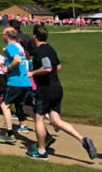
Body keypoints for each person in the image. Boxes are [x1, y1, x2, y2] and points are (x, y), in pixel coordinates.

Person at [25, 24, 97, 160]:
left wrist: (33, 72)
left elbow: (47, 68)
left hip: (45, 89)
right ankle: (83, 140)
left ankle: (41, 151)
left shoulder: (40, 51)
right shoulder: (51, 49)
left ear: (34, 36)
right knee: (56, 120)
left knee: (39, 118)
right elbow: (58, 66)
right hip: (56, 87)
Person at [0, 27, 34, 144]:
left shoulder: (11, 46)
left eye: (3, 34)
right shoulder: (19, 46)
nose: (1, 36)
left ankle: (9, 134)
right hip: (25, 81)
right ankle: (45, 132)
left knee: (5, 105)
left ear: (7, 35)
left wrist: (7, 68)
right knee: (27, 108)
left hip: (15, 81)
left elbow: (17, 60)